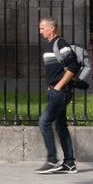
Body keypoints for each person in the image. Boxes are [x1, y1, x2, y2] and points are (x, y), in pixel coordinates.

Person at [37, 16, 80, 174]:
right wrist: (51, 87)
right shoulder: (50, 46)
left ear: (51, 28)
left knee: (44, 122)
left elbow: (73, 65)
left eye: (42, 28)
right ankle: (69, 163)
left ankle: (52, 160)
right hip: (55, 91)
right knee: (60, 126)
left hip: (61, 92)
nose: (40, 31)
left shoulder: (60, 43)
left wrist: (58, 87)